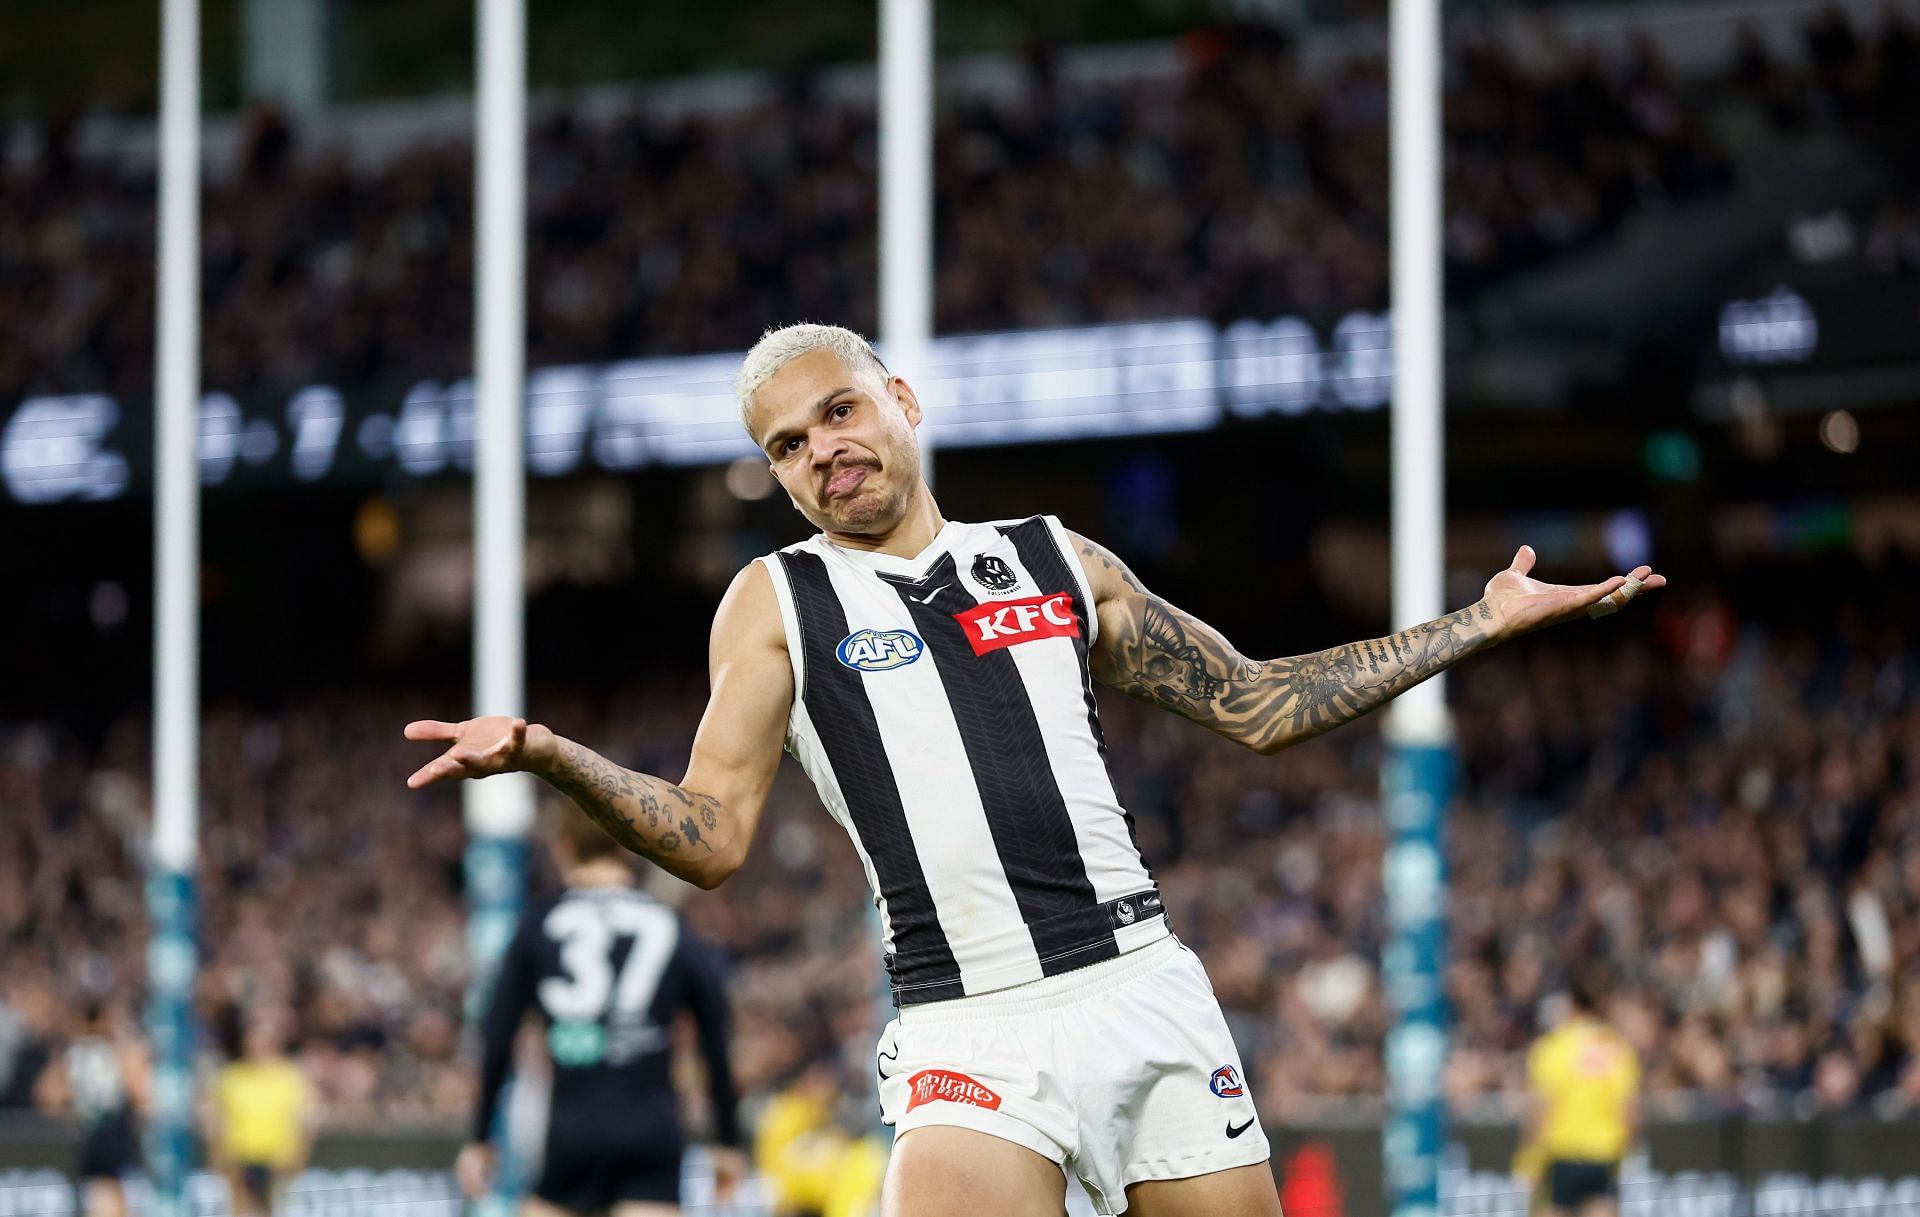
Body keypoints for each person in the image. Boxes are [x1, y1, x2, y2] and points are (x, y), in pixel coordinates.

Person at [406, 323, 1665, 1217]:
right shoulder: (774, 599)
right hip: (969, 1017)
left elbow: (1260, 701)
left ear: (901, 397)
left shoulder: (1054, 558)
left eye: (839, 410)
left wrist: (1478, 625)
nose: (821, 450)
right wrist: (552, 755)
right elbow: (716, 832)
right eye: (787, 445)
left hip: (1139, 985)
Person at [456, 806, 747, 1217]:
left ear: (563, 848)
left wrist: (481, 1136)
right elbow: (716, 1035)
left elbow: (497, 1034)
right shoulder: (672, 926)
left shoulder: (537, 926)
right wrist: (727, 1141)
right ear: (631, 847)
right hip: (652, 1130)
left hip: (571, 1130)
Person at [1516, 975, 1641, 1217]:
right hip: (1604, 1155)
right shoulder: (1619, 1048)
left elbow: (1541, 1110)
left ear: (1572, 1004)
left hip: (1562, 1153)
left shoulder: (1553, 1047)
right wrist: (1632, 1152)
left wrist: (1527, 1163)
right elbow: (1629, 1110)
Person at [35, 1001, 151, 1217]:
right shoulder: (116, 1050)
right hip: (112, 1130)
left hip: (87, 1131)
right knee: (111, 1191)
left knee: (99, 1192)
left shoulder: (71, 1053)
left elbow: (48, 1098)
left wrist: (71, 1111)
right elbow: (139, 1093)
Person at [205, 1007, 316, 1217]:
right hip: (240, 1158)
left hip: (277, 1159)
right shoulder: (231, 1076)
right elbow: (218, 1119)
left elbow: (303, 1120)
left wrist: (297, 1157)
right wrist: (220, 1156)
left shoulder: (289, 1077)